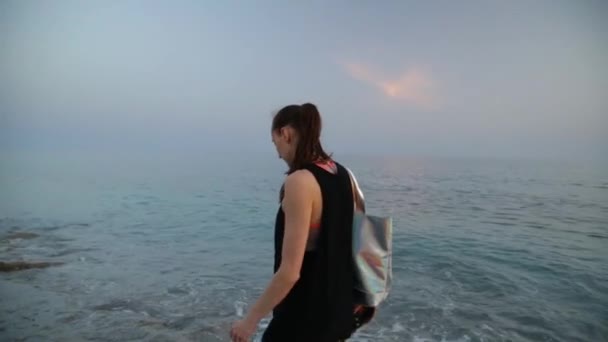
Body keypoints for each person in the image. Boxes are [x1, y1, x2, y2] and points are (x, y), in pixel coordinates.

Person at [230, 103, 357, 342]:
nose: (277, 152)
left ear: (285, 133)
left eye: (274, 142)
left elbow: (290, 272)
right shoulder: (343, 175)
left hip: (303, 319)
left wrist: (250, 321)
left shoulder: (301, 181)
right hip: (337, 314)